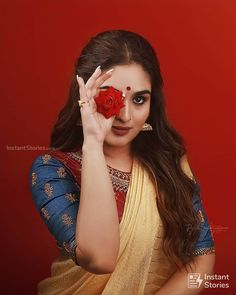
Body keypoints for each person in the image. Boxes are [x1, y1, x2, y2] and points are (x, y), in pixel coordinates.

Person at [29, 30, 215, 295]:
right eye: (111, 98)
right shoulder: (53, 170)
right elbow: (101, 259)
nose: (125, 116)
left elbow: (203, 260)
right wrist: (92, 142)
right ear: (84, 95)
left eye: (139, 99)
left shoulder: (170, 164)